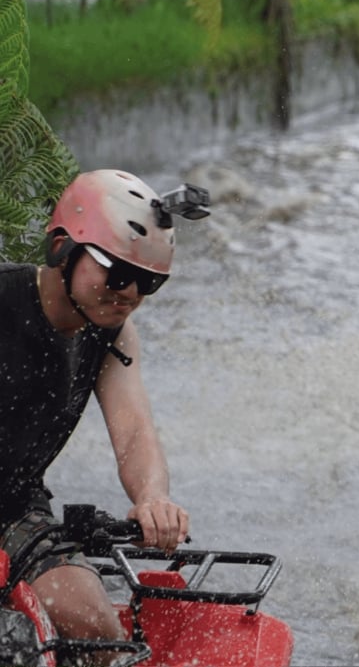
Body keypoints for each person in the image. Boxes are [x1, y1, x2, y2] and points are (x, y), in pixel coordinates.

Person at [1, 169, 206, 648]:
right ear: (62, 248)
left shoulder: (112, 335)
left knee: (98, 635)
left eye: (148, 282)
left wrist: (152, 497)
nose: (130, 294)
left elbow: (134, 431)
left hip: (16, 510)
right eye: (118, 272)